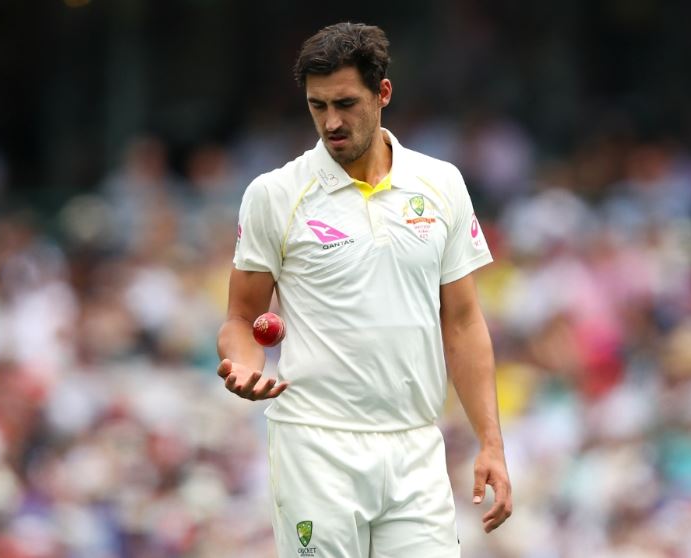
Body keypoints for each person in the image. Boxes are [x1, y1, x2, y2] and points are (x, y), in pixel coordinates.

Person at [217, 22, 512, 557]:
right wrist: (243, 365)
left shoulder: (441, 183)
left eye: (346, 103)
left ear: (383, 94)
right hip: (316, 444)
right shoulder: (274, 194)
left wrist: (491, 442)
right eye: (318, 106)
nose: (331, 122)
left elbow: (463, 322)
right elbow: (242, 317)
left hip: (416, 445)